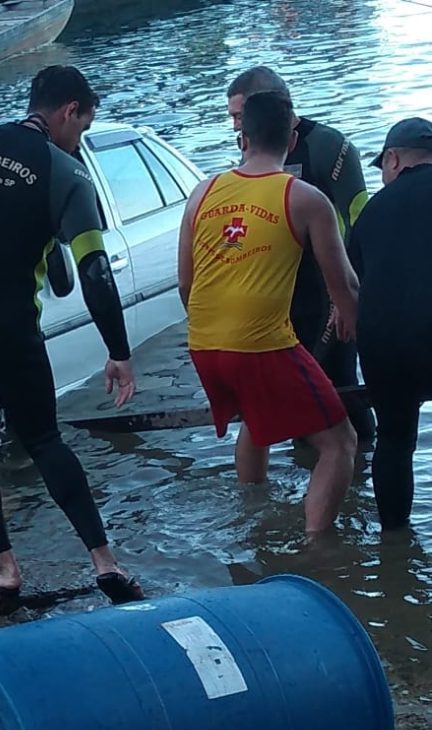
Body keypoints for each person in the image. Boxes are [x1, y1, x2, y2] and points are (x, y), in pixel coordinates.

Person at [0, 65, 143, 603]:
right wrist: (118, 352)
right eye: (82, 128)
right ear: (68, 112)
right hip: (12, 327)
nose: (78, 139)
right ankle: (106, 562)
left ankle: (3, 566)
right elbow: (96, 274)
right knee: (43, 440)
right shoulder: (67, 176)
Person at [178, 90, 359, 535]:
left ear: (243, 136)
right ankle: (317, 548)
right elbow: (347, 285)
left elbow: (186, 282)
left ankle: (252, 522)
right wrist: (353, 323)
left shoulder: (202, 192)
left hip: (203, 344)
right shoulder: (305, 197)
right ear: (291, 138)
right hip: (258, 345)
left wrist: (214, 330)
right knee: (340, 442)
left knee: (257, 425)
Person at [226, 66, 375, 443]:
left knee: (342, 393)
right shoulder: (252, 155)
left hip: (331, 294)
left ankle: (362, 484)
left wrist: (348, 298)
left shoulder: (329, 147)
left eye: (239, 117)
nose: (235, 129)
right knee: (298, 408)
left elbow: (361, 225)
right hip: (284, 300)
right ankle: (305, 490)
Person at [348, 117, 432, 530]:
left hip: (387, 343)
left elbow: (355, 279)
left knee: (395, 442)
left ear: (394, 160)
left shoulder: (372, 213)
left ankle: (394, 542)